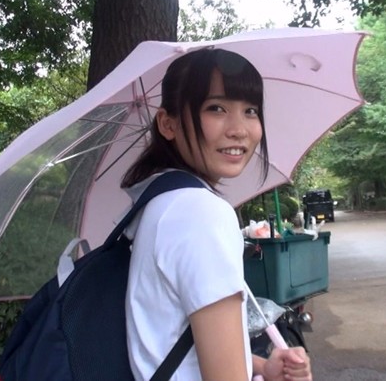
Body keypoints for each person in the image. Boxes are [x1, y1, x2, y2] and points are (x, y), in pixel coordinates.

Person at [121, 48, 312, 381]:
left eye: (250, 111)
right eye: (216, 108)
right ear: (168, 123)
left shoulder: (158, 200)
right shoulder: (200, 213)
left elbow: (175, 339)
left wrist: (264, 367)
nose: (239, 129)